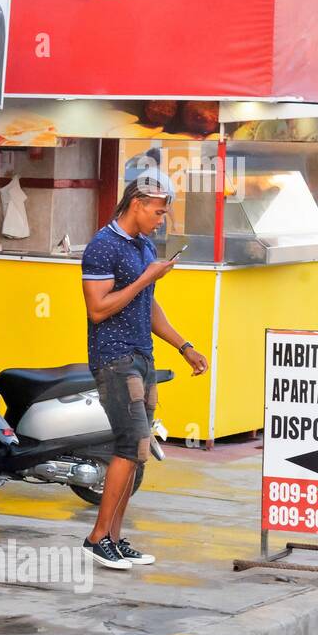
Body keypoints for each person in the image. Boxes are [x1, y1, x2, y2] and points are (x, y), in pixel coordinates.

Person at [80, 179, 209, 570]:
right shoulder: (103, 246)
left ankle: (115, 539)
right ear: (136, 204)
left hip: (142, 356)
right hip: (114, 358)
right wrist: (145, 278)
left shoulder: (143, 247)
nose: (161, 218)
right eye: (157, 210)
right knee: (129, 443)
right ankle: (96, 537)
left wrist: (184, 346)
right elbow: (98, 309)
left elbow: (148, 305)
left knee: (138, 451)